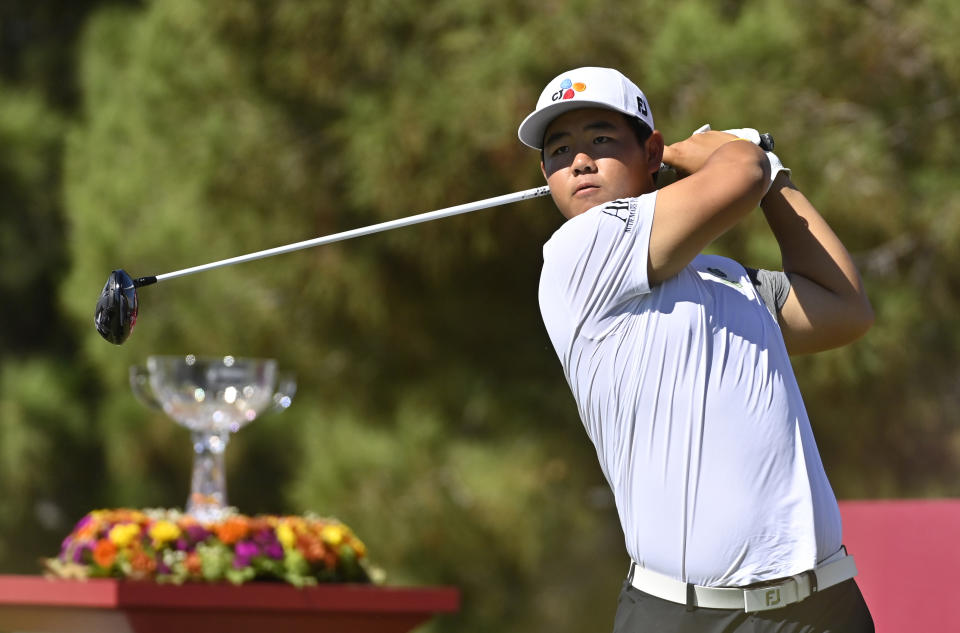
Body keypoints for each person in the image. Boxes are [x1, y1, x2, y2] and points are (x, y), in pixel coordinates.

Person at [518, 66, 875, 632]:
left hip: (823, 608)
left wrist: (774, 175)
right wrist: (725, 151)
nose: (580, 161)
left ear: (649, 152)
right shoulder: (576, 253)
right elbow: (738, 176)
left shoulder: (727, 280)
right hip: (689, 619)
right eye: (560, 150)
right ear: (545, 173)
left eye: (601, 140)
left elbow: (843, 307)